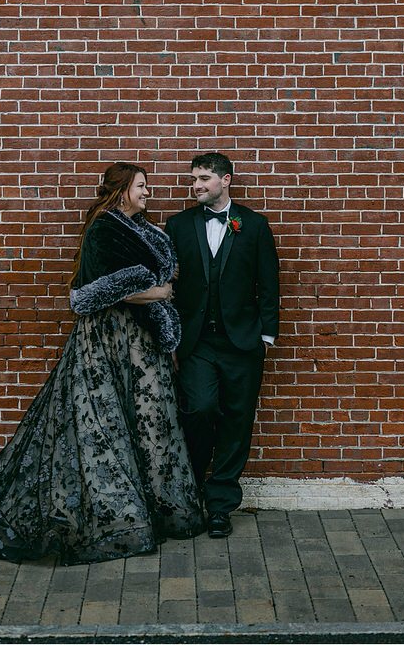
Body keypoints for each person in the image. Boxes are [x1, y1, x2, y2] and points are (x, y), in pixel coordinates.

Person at [0, 163, 204, 565]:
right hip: (107, 340)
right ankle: (119, 516)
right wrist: (157, 291)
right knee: (105, 425)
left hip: (142, 342)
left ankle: (157, 510)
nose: (147, 193)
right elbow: (98, 291)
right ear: (122, 189)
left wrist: (159, 291)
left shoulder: (145, 229)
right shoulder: (104, 228)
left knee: (149, 422)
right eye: (141, 186)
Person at [167, 151, 279, 539]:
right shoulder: (178, 225)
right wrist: (171, 338)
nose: (195, 185)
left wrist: (266, 336)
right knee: (198, 409)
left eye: (203, 178)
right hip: (196, 341)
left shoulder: (254, 225)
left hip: (242, 342)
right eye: (193, 179)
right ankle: (192, 489)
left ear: (225, 180)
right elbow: (169, 284)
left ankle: (220, 505)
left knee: (237, 420)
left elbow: (268, 283)